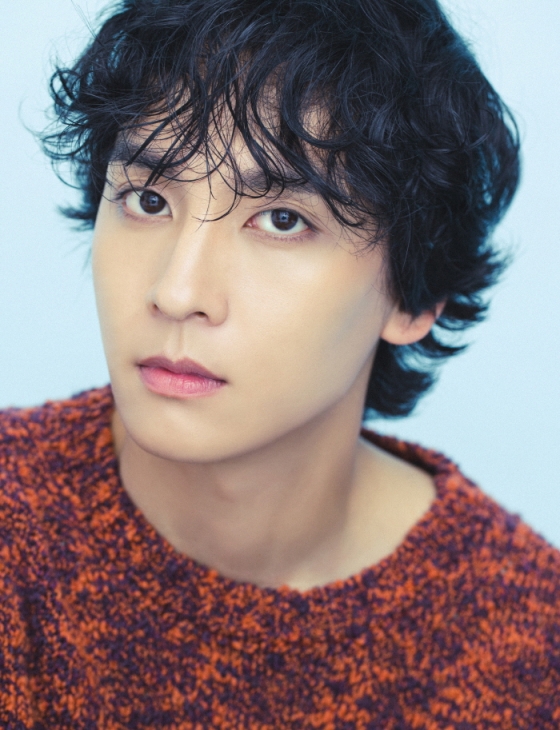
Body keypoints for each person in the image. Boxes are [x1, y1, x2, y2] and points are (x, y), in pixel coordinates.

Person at [1, 0, 558, 726]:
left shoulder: (528, 644)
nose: (177, 292)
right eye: (147, 199)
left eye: (282, 221)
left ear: (415, 297)